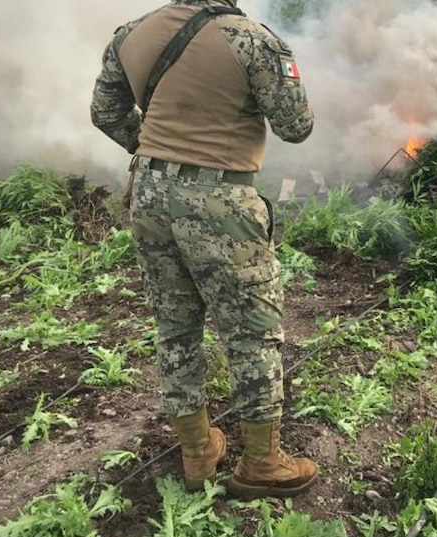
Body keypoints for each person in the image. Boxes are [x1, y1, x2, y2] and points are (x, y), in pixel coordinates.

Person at [90, 0, 317, 499]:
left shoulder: (132, 33)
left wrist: (158, 149)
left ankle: (198, 452)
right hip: (220, 201)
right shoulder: (252, 40)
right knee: (252, 333)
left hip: (148, 194)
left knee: (175, 327)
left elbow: (104, 112)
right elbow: (295, 126)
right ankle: (261, 463)